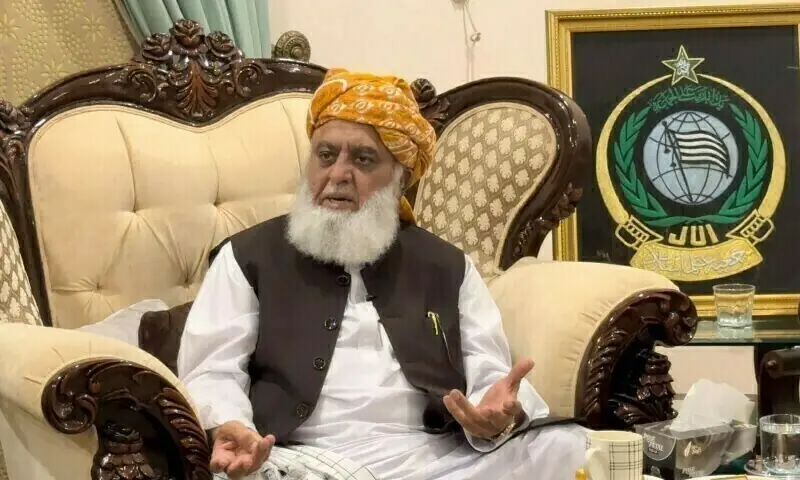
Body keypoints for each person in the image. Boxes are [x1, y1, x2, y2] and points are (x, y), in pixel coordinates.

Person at [177, 68, 587, 480]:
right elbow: (212, 369)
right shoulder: (247, 256)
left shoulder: (447, 266)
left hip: (437, 460)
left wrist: (492, 416)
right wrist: (232, 425)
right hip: (303, 459)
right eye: (326, 155)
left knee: (567, 447)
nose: (338, 174)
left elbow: (488, 373)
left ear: (400, 176)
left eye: (363, 159)